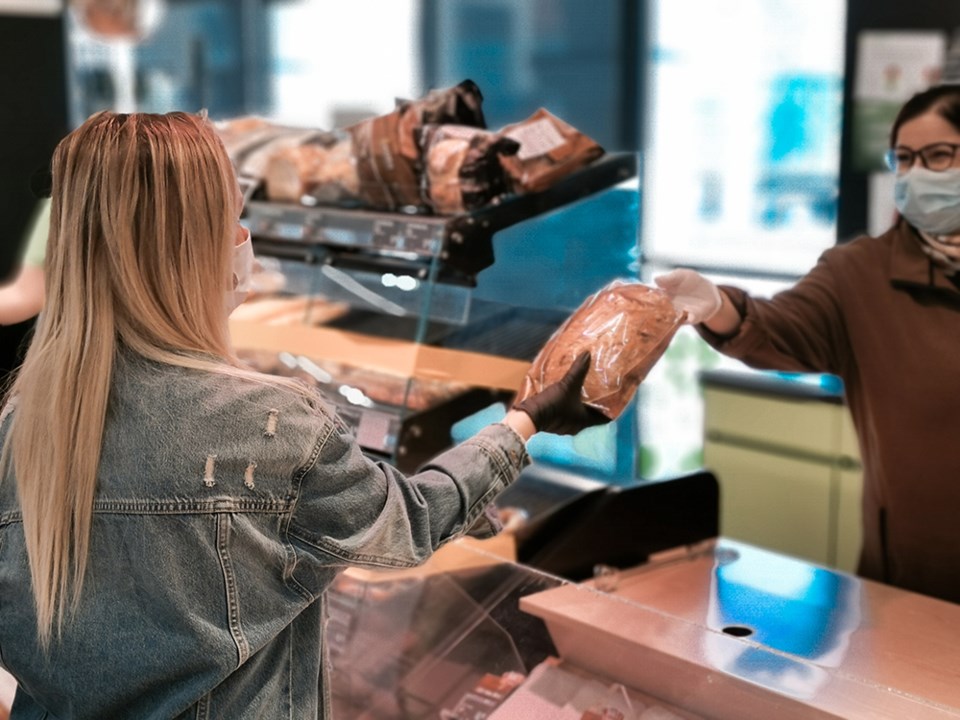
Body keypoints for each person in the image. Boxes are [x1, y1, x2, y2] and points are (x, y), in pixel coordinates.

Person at [0, 111, 606, 719]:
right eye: (232, 219)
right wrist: (524, 421)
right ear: (192, 248)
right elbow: (410, 523)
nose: (244, 239)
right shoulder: (269, 423)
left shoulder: (18, 425)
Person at [655, 83, 960, 605]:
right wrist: (718, 305)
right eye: (904, 160)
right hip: (918, 580)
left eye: (939, 157)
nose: (917, 175)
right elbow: (781, 326)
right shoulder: (863, 275)